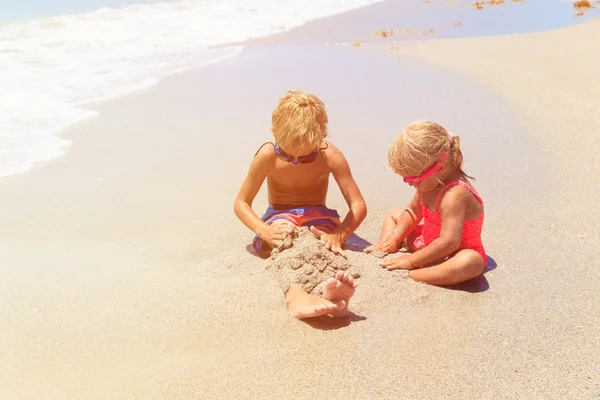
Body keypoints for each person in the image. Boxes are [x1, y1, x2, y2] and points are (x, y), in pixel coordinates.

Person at [234, 90, 367, 319]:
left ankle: (330, 293)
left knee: (323, 248)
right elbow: (241, 202)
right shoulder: (268, 155)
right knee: (287, 247)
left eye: (304, 154)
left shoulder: (329, 155)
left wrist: (339, 235)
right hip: (281, 215)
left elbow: (358, 205)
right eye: (289, 154)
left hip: (319, 217)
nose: (295, 160)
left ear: (321, 136)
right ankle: (295, 296)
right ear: (274, 131)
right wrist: (263, 230)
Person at [365, 121, 486, 286]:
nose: (408, 183)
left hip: (450, 255)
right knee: (395, 216)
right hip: (426, 242)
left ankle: (416, 274)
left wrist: (411, 261)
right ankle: (385, 249)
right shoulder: (430, 183)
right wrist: (395, 237)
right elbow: (414, 212)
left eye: (414, 179)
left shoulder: (454, 196)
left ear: (440, 169)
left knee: (472, 262)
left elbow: (449, 242)